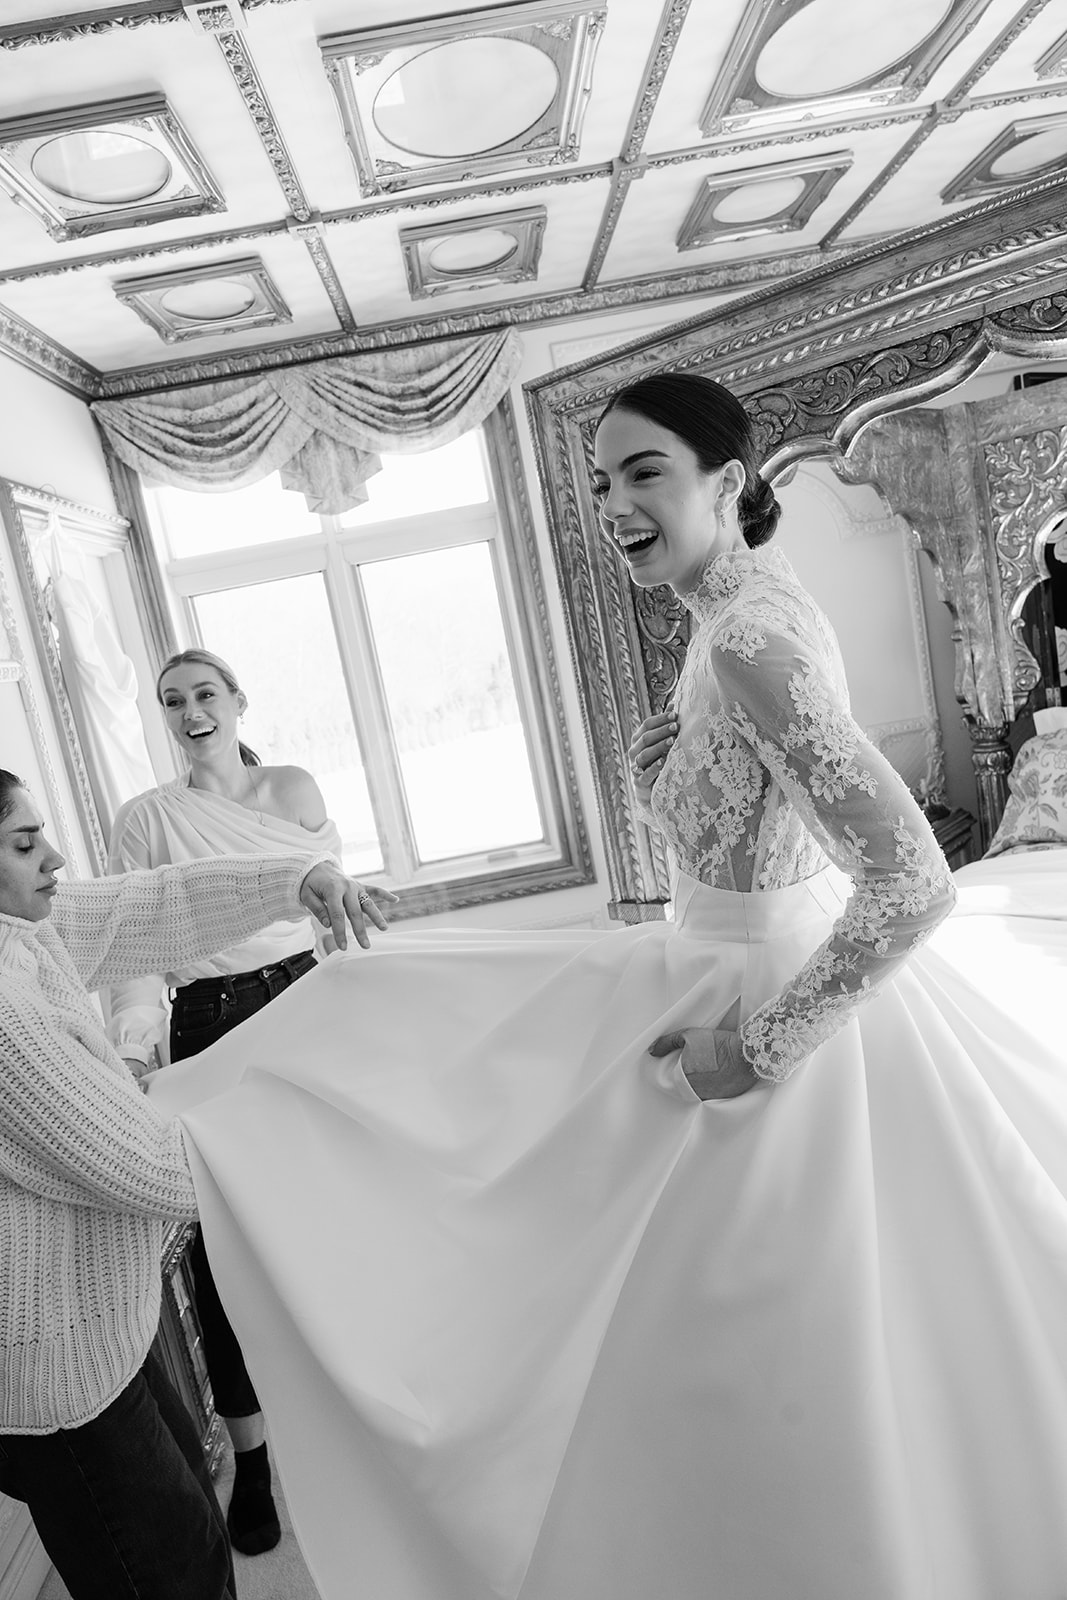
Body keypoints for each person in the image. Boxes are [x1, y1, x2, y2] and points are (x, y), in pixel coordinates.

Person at [147, 373, 1067, 1600]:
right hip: (725, 962)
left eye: (644, 473)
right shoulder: (735, 610)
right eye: (599, 482)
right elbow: (752, 827)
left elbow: (911, 880)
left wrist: (757, 1048)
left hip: (763, 1021)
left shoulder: (747, 636)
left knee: (761, 1352)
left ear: (725, 481)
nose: (614, 505)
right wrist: (665, 773)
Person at [0, 765, 390, 1600]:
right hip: (53, 1369)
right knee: (170, 1576)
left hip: (101, 1325)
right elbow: (154, 1171)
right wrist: (322, 1121)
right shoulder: (5, 1015)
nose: (55, 858)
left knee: (194, 1547)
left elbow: (150, 904)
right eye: (25, 844)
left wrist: (296, 876)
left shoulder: (25, 931)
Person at [107, 646, 346, 1556]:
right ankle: (251, 1457)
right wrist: (135, 1049)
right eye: (172, 701)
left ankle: (354, 1411)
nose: (190, 712)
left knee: (331, 1208)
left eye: (204, 693)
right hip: (208, 1021)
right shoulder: (146, 819)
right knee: (220, 1243)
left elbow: (334, 910)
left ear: (238, 700)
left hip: (306, 1000)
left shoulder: (292, 788)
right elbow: (131, 945)